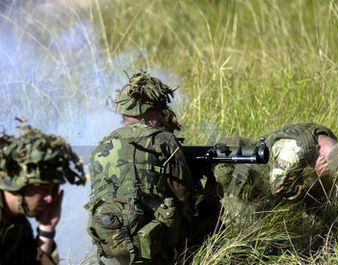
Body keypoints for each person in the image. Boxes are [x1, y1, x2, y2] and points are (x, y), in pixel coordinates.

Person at [86, 71, 211, 265]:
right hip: (153, 249)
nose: (163, 117)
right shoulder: (164, 140)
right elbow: (184, 198)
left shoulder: (102, 146)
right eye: (159, 111)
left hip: (112, 250)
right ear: (148, 111)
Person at [214, 123, 338, 225]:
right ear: (325, 161)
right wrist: (316, 179)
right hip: (244, 181)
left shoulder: (330, 141)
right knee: (243, 231)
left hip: (264, 174)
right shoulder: (294, 151)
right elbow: (276, 190)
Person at [0, 125, 86, 265]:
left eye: (53, 190)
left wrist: (46, 230)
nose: (50, 198)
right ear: (18, 184)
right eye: (45, 189)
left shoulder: (17, 224)